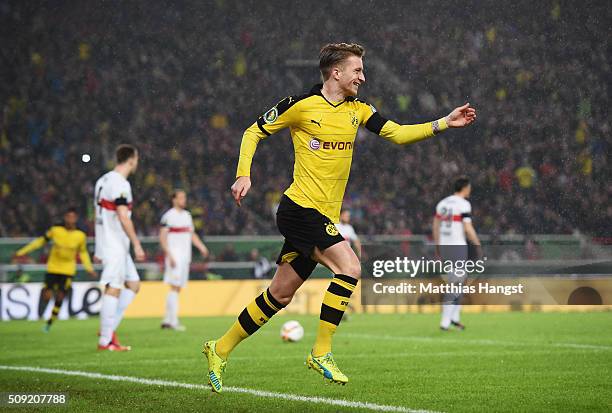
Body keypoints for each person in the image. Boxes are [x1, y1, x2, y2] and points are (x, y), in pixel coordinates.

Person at [202, 42, 476, 392]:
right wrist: (244, 173)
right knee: (350, 267)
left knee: (280, 295)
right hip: (299, 209)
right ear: (337, 72)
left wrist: (444, 123)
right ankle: (321, 351)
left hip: (319, 215)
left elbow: (398, 133)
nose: (363, 76)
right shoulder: (301, 106)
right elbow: (252, 131)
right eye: (357, 70)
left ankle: (219, 348)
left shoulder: (359, 110)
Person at [94, 144, 145, 351]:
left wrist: (99, 247)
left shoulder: (103, 180)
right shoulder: (120, 183)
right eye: (137, 159)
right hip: (115, 243)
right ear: (131, 159)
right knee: (113, 287)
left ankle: (109, 326)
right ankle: (105, 341)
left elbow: (99, 215)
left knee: (133, 285)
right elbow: (123, 216)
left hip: (110, 242)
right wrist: (136, 243)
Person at [13, 207, 95, 332]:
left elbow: (83, 253)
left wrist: (89, 268)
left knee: (60, 296)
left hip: (68, 270)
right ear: (65, 218)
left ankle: (50, 322)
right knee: (47, 295)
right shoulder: (55, 230)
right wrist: (22, 252)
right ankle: (42, 314)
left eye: (73, 217)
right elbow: (40, 241)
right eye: (68, 217)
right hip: (53, 267)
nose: (70, 219)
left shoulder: (80, 236)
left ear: (76, 219)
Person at [432, 176, 481, 331]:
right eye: (469, 187)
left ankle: (454, 318)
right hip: (457, 246)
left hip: (446, 246)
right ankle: (445, 321)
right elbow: (467, 228)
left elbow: (435, 226)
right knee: (455, 282)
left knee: (459, 281)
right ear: (465, 188)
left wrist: (438, 245)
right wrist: (477, 243)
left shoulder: (443, 203)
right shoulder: (464, 204)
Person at [159, 190, 209, 331]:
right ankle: (173, 321)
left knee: (177, 287)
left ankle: (168, 319)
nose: (183, 200)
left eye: (184, 198)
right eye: (180, 198)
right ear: (173, 199)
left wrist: (201, 246)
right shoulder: (168, 216)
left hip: (185, 256)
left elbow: (191, 234)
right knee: (174, 287)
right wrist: (169, 254)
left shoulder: (187, 216)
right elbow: (162, 238)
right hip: (174, 255)